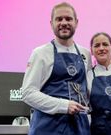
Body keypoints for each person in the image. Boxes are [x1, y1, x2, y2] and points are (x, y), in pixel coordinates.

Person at [21, 2, 92, 135]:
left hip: (79, 127)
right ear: (51, 23)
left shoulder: (85, 53)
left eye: (68, 19)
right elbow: (27, 93)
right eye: (59, 19)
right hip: (47, 126)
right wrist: (64, 106)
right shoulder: (40, 52)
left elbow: (87, 91)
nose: (64, 23)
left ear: (76, 22)